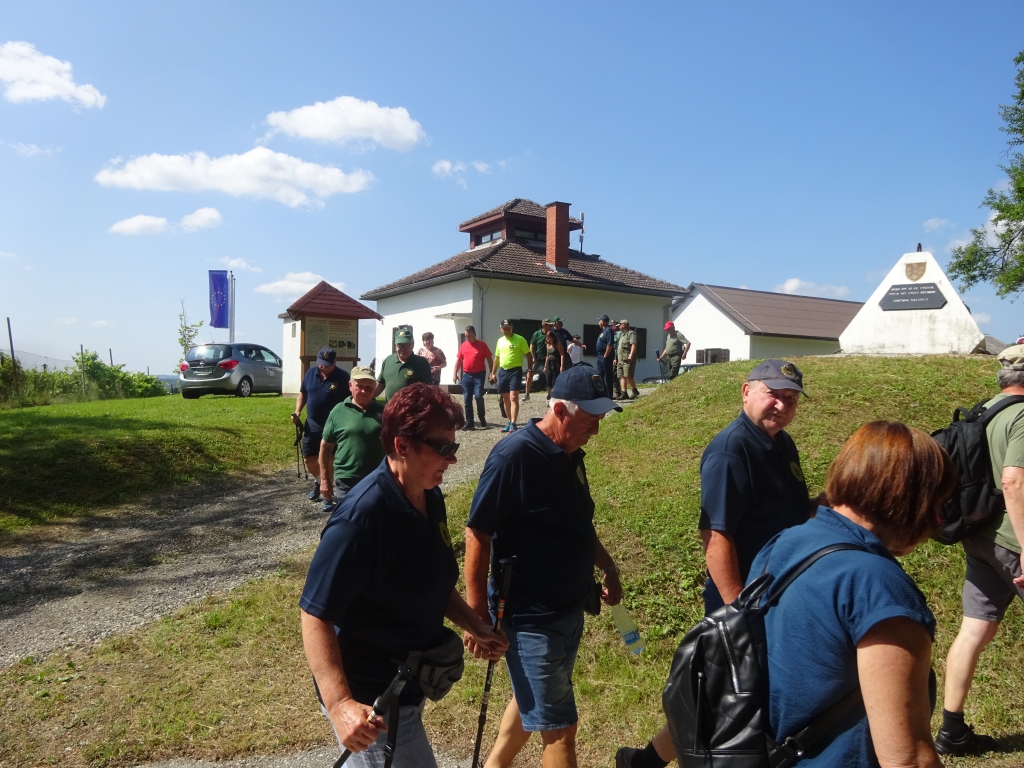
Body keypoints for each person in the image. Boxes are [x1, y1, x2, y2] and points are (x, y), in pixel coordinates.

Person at [618, 359, 823, 768]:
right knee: (728, 699)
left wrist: (835, 506)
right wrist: (737, 612)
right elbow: (715, 536)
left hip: (776, 595)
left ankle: (644, 763)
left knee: (720, 696)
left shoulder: (781, 444)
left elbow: (792, 512)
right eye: (773, 395)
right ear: (746, 391)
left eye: (790, 399)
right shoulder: (732, 450)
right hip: (743, 601)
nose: (782, 406)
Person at [300, 383, 509, 768]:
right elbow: (314, 613)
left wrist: (475, 625)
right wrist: (341, 704)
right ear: (402, 445)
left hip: (408, 684)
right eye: (442, 448)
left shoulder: (429, 496)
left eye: (454, 446)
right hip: (372, 701)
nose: (452, 459)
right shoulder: (361, 520)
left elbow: (430, 580)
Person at [745, 421, 952, 767]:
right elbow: (907, 758)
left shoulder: (784, 543)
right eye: (938, 504)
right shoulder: (879, 589)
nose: (937, 520)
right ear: (916, 500)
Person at [464, 364, 624, 768]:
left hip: (569, 610)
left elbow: (577, 525)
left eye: (601, 419)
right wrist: (477, 616)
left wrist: (608, 567)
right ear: (560, 410)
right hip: (530, 617)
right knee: (561, 730)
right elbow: (477, 534)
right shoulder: (514, 456)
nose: (596, 430)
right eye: (590, 420)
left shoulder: (570, 455)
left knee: (531, 700)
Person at [935, 343, 1024, 756]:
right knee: (974, 630)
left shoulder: (985, 409)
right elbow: (1013, 480)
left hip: (980, 535)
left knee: (974, 630)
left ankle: (951, 730)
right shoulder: (1022, 415)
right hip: (1012, 540)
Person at [318, 366, 385, 512]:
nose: (364, 391)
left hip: (377, 478)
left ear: (375, 387)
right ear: (350, 385)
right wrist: (324, 479)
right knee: (348, 519)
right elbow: (326, 446)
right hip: (347, 480)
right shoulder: (338, 411)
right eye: (359, 386)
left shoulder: (385, 411)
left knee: (376, 519)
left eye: (369, 387)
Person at [291, 348, 351, 503]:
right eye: (321, 363)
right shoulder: (311, 373)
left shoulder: (343, 377)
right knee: (309, 458)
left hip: (333, 424)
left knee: (329, 459)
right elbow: (303, 393)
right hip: (313, 423)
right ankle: (319, 481)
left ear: (335, 362)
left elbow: (349, 400)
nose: (323, 366)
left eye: (327, 364)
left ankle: (328, 494)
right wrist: (297, 411)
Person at [490, 319, 533, 434]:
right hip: (503, 371)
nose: (507, 330)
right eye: (505, 328)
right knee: (505, 398)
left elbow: (529, 355)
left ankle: (514, 423)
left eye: (509, 328)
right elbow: (497, 358)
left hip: (515, 371)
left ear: (512, 328)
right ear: (501, 329)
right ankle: (509, 421)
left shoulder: (520, 339)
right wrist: (493, 373)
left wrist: (530, 370)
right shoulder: (500, 341)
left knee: (513, 397)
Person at [453, 325, 493, 431]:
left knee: (478, 396)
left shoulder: (482, 345)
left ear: (474, 334)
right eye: (466, 336)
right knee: (467, 398)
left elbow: (489, 359)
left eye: (469, 336)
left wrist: (492, 373)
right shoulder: (463, 346)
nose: (467, 338)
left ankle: (482, 418)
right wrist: (455, 373)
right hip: (467, 375)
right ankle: (470, 422)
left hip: (479, 375)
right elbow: (458, 361)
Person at [376, 328, 433, 401]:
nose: (403, 349)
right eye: (400, 345)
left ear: (412, 345)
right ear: (396, 346)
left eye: (406, 345)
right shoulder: (388, 361)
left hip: (411, 407)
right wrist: (368, 397)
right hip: (390, 407)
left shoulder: (421, 363)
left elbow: (428, 389)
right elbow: (380, 384)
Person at [526, 319, 554, 402]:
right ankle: (527, 394)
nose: (551, 327)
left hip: (547, 358)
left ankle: (549, 395)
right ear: (544, 325)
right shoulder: (537, 334)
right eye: (549, 325)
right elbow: (532, 345)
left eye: (551, 325)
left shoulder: (551, 334)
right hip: (537, 358)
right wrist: (532, 356)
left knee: (548, 377)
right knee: (530, 374)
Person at [615, 319, 639, 401]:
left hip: (627, 358)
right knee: (621, 376)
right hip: (620, 359)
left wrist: (631, 355)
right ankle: (624, 393)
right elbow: (618, 348)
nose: (619, 326)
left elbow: (634, 345)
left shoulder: (631, 333)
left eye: (620, 325)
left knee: (628, 375)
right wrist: (615, 359)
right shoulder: (622, 335)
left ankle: (634, 390)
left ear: (624, 325)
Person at [595, 314, 615, 397]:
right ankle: (601, 394)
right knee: (600, 375)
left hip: (605, 356)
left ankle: (609, 395)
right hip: (600, 355)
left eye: (599, 320)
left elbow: (609, 345)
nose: (598, 322)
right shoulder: (603, 331)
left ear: (602, 321)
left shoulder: (608, 330)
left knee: (607, 376)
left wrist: (605, 356)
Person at [543, 330, 565, 396]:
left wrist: (561, 366)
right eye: (547, 338)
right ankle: (549, 395)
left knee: (554, 379)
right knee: (548, 379)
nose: (547, 339)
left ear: (552, 338)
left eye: (548, 338)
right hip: (549, 363)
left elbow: (562, 355)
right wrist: (545, 366)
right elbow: (547, 356)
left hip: (556, 363)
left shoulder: (558, 344)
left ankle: (554, 394)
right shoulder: (547, 345)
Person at [611, 322, 623, 399]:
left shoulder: (619, 334)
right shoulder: (613, 333)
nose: (611, 327)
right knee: (614, 373)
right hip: (613, 355)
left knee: (615, 373)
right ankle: (617, 391)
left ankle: (618, 392)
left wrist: (615, 358)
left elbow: (618, 347)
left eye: (612, 326)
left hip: (618, 355)